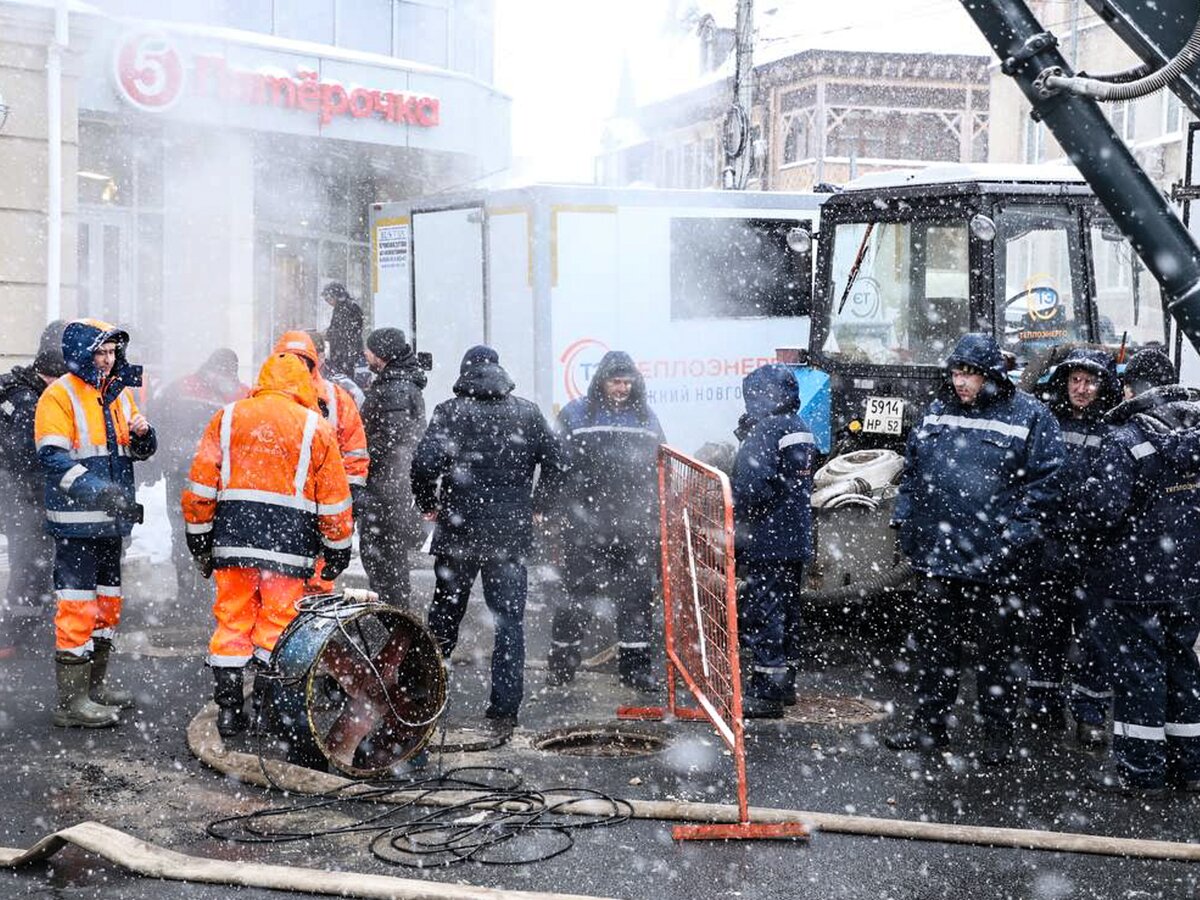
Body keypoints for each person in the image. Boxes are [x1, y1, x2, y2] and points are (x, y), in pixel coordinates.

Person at [886, 333, 1063, 765]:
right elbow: (912, 473)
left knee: (997, 657)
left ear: (991, 376)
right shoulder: (937, 412)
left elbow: (1047, 486)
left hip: (996, 565)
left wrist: (1013, 539)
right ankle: (929, 729)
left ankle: (997, 737)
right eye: (956, 372)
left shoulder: (1030, 416)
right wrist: (906, 520)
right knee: (934, 651)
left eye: (969, 374)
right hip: (938, 559)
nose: (961, 382)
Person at [181, 352, 353, 738]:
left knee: (232, 621)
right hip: (289, 546)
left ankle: (228, 710)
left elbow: (201, 486)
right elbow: (334, 499)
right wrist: (338, 548)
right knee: (277, 624)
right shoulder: (315, 427)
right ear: (304, 385)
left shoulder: (227, 418)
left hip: (233, 542)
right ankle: (264, 705)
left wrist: (199, 540)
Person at [411, 345, 560, 733]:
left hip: (458, 533)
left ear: (465, 374)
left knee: (444, 618)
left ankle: (425, 698)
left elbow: (424, 464)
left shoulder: (450, 411)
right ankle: (504, 710)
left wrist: (429, 503)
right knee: (510, 623)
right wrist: (539, 504)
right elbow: (558, 460)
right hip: (509, 536)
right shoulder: (526, 412)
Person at [1072, 348, 1200, 795]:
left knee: (1139, 672)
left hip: (1134, 579)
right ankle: (1190, 767)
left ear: (1134, 388)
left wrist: (1080, 502)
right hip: (1188, 577)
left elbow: (1102, 509)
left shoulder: (1126, 438)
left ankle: (1142, 772)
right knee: (1183, 665)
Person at [34, 319, 157, 728]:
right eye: (99, 353)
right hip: (77, 523)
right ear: (81, 354)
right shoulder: (59, 396)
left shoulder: (117, 395)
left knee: (107, 604)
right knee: (77, 607)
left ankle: (94, 688)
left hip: (110, 523)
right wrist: (96, 491)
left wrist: (143, 435)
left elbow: (132, 450)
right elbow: (52, 458)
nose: (106, 361)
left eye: (111, 353)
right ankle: (71, 703)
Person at [545, 351, 665, 692]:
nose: (622, 388)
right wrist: (553, 508)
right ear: (602, 381)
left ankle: (636, 670)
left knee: (636, 599)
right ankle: (561, 667)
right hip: (586, 526)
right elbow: (557, 464)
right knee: (576, 596)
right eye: (615, 381)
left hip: (634, 526)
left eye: (627, 382)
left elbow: (662, 462)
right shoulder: (577, 413)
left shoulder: (646, 417)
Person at [1024, 347, 1121, 747]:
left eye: (1090, 382)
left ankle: (1089, 714)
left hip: (1096, 551)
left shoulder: (1114, 428)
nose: (1081, 389)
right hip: (1051, 548)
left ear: (1103, 386)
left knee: (1095, 636)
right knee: (1046, 630)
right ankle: (1042, 705)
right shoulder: (1047, 421)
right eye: (1075, 381)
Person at [730, 364, 816, 719]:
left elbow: (751, 485)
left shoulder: (767, 430)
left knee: (763, 611)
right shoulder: (801, 428)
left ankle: (766, 691)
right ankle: (786, 682)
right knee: (787, 610)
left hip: (767, 538)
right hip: (795, 537)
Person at [273, 330, 368, 595]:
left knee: (291, 582)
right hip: (309, 501)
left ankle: (297, 626)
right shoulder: (336, 398)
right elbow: (354, 451)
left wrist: (350, 495)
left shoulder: (336, 399)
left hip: (302, 501)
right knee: (290, 583)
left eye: (301, 359)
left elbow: (354, 452)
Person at [152, 349, 248, 605]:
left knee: (186, 532)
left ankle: (191, 593)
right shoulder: (240, 394)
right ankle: (203, 593)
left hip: (188, 474)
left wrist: (167, 458)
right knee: (209, 533)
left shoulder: (179, 387)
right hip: (213, 477)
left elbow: (157, 424)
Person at [0, 347, 68, 650]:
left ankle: (23, 627)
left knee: (30, 558)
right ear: (52, 375)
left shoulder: (15, 386)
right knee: (30, 559)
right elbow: (28, 456)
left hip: (15, 490)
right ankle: (18, 632)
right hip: (21, 492)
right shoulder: (30, 402)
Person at [359, 327, 427, 608]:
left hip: (387, 492)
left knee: (385, 568)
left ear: (382, 355)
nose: (366, 354)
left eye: (370, 350)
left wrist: (361, 455)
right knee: (390, 567)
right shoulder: (398, 384)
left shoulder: (394, 390)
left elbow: (394, 443)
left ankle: (395, 632)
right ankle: (396, 630)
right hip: (393, 492)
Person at [321, 282, 369, 388]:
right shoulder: (343, 307)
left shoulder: (347, 308)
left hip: (347, 353)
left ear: (336, 296)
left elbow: (344, 331)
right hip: (344, 352)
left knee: (346, 381)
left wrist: (328, 334)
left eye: (328, 299)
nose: (328, 302)